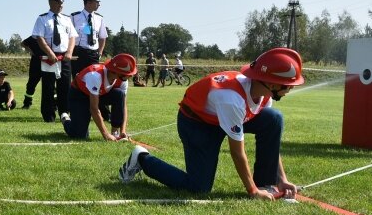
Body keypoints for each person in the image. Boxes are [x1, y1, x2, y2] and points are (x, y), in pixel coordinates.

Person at [119, 48, 304, 201]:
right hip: (197, 123)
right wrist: (252, 191)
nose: (291, 88)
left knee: (273, 118)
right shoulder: (232, 99)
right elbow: (237, 152)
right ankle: (142, 158)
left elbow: (270, 143)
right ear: (272, 84)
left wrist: (282, 179)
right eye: (288, 85)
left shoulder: (263, 93)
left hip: (220, 117)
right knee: (199, 188)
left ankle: (268, 185)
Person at [62, 54, 136, 140]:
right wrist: (106, 135)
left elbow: (123, 105)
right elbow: (94, 108)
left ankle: (115, 133)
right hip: (79, 95)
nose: (130, 76)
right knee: (79, 135)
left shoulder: (123, 80)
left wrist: (123, 131)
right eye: (128, 74)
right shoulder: (95, 76)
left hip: (99, 94)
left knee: (119, 94)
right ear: (116, 72)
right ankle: (66, 120)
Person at [31, 0, 77, 122]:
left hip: (65, 57)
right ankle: (48, 115)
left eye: (62, 2)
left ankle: (65, 113)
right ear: (51, 2)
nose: (60, 5)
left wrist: (69, 52)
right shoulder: (42, 19)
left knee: (65, 86)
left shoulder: (67, 19)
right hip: (49, 57)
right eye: (58, 2)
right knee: (48, 87)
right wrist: (49, 53)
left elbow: (72, 37)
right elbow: (39, 38)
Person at [70, 0, 107, 78]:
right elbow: (69, 36)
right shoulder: (74, 17)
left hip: (93, 54)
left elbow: (102, 37)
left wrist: (100, 53)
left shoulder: (99, 18)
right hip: (78, 52)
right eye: (96, 2)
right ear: (88, 2)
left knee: (93, 78)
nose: (99, 4)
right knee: (77, 78)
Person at [20, 36, 42, 110]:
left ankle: (54, 105)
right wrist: (29, 50)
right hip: (35, 64)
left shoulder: (49, 35)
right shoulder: (34, 37)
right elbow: (22, 43)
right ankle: (27, 104)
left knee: (50, 85)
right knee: (31, 84)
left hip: (49, 63)